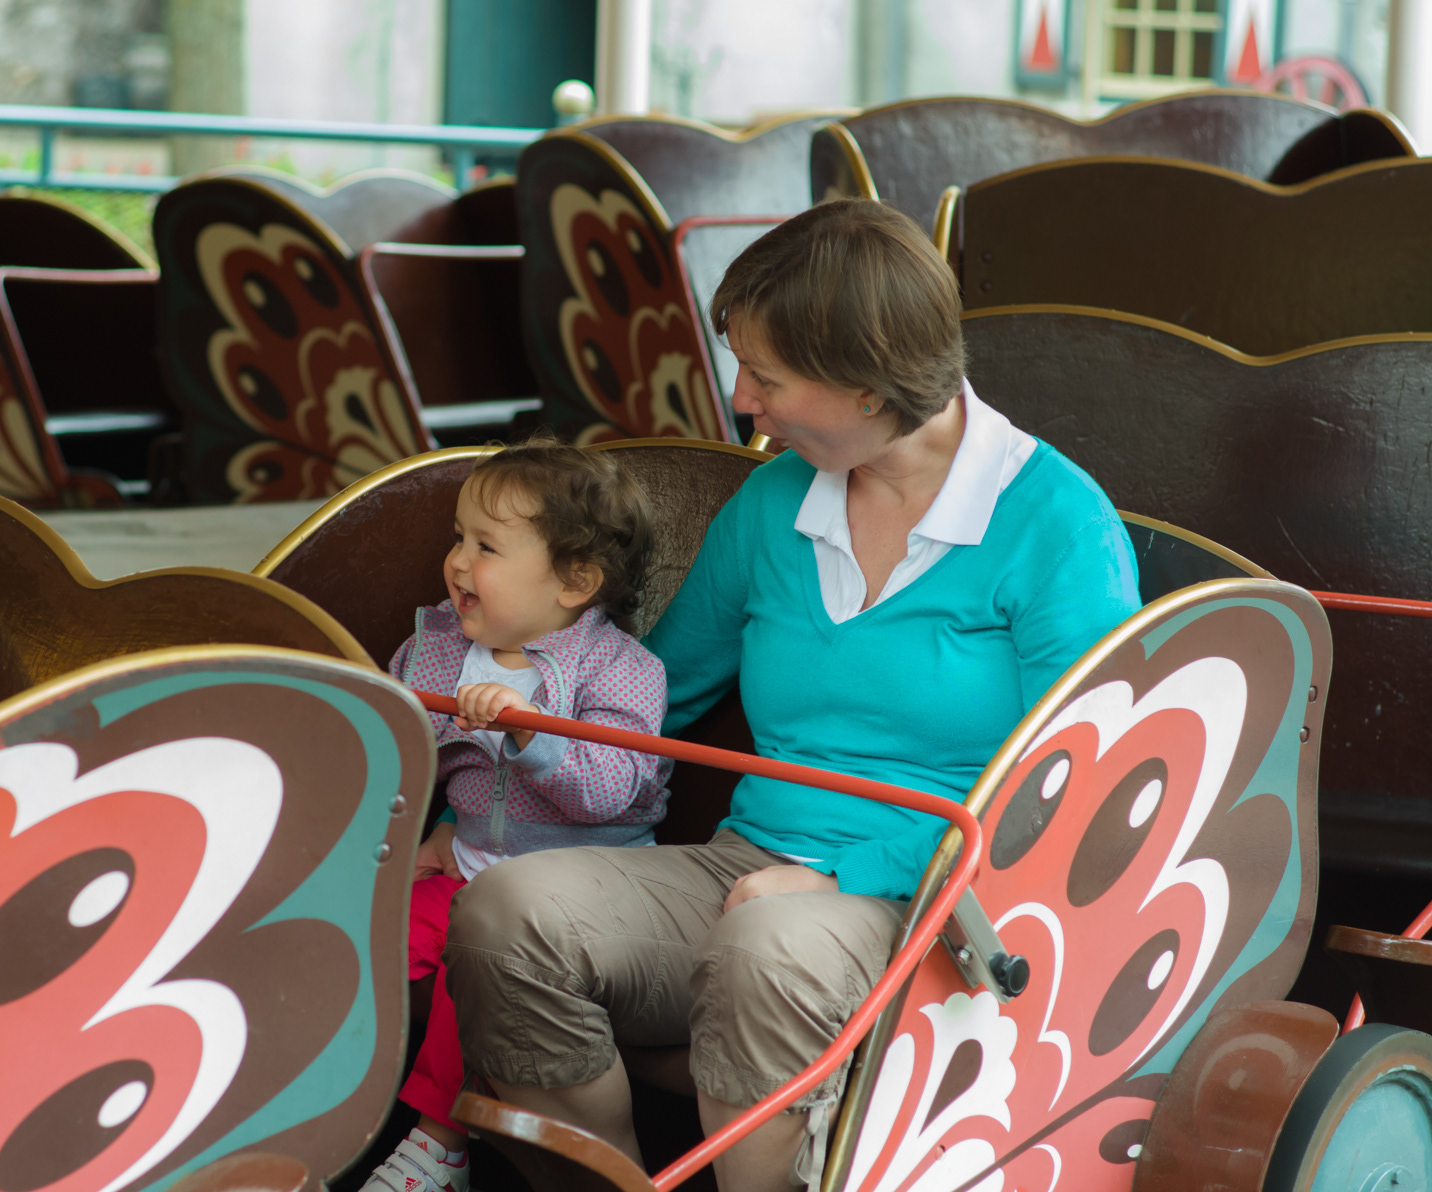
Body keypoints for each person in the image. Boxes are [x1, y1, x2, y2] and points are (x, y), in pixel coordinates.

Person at [442, 199, 1141, 1191]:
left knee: (771, 945)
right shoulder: (774, 502)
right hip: (748, 868)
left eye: (765, 377)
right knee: (504, 914)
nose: (742, 403)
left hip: (942, 902)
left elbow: (1074, 787)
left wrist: (845, 876)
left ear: (867, 386)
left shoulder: (1059, 524)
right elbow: (646, 701)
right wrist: (489, 776)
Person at [361, 435, 673, 1192]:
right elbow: (397, 755)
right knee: (357, 940)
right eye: (458, 538)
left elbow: (609, 790)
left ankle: (438, 1148)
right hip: (465, 866)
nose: (458, 562)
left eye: (487, 546)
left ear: (575, 580)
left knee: (477, 965)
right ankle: (322, 1114)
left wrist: (530, 733)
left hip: (577, 897)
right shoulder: (434, 647)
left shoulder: (623, 671)